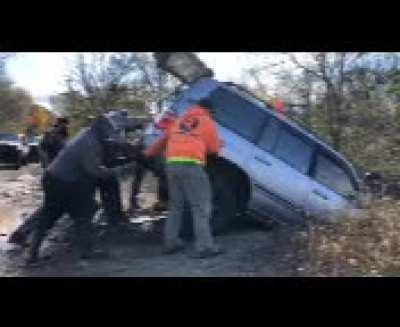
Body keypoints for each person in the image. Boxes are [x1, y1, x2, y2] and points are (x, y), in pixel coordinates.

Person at [8, 112, 136, 264]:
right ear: (101, 129)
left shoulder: (87, 135)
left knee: (52, 215)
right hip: (63, 182)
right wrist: (120, 170)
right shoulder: (90, 142)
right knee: (81, 213)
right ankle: (85, 251)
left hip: (55, 178)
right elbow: (94, 170)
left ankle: (32, 254)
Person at [143, 99, 224, 258]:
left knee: (176, 206)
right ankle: (205, 247)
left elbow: (162, 141)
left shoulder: (178, 120)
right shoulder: (208, 122)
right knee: (200, 207)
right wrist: (219, 145)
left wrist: (147, 154)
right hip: (192, 166)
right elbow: (214, 149)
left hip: (172, 166)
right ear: (209, 110)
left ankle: (171, 242)